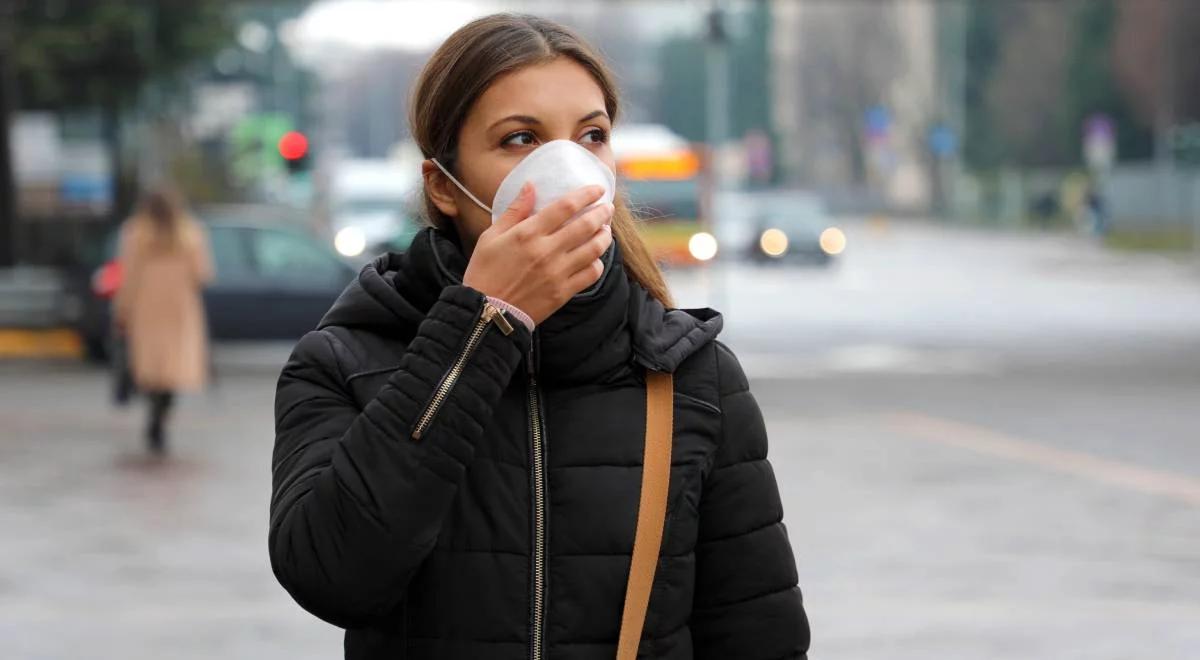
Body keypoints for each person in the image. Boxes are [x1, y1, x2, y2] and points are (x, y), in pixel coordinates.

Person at [270, 13, 810, 660]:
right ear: (444, 185)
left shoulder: (692, 376)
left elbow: (759, 637)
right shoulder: (343, 361)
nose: (568, 169)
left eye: (592, 136)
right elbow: (332, 577)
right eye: (521, 138)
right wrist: (482, 326)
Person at [113, 187, 213, 454]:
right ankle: (162, 414)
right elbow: (203, 274)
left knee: (151, 365)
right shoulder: (190, 233)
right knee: (173, 366)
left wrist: (122, 310)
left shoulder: (135, 233)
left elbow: (129, 276)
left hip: (146, 306)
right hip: (180, 307)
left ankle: (154, 411)